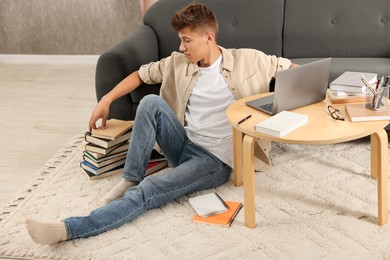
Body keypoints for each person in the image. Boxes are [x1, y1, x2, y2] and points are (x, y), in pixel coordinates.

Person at [25, 2, 297, 245]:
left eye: (186, 41)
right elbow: (140, 75)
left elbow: (290, 68)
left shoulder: (248, 60)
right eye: (181, 40)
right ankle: (130, 178)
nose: (181, 47)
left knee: (150, 190)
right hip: (184, 144)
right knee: (150, 103)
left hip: (216, 161)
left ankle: (68, 229)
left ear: (208, 37)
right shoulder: (178, 63)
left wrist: (327, 92)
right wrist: (105, 100)